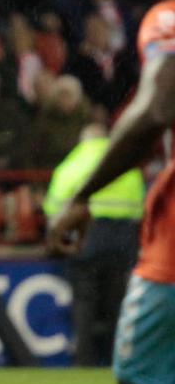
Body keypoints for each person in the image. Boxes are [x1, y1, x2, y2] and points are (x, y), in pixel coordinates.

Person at [48, 0, 175, 384]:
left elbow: (159, 105)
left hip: (168, 255)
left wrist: (81, 197)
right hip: (130, 242)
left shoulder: (167, 21)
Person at [43, 123, 144, 366]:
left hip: (87, 236)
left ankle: (84, 359)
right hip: (122, 240)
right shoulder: (125, 165)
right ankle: (115, 359)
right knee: (116, 303)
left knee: (84, 302)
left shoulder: (71, 166)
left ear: (83, 140)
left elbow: (53, 208)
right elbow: (141, 208)